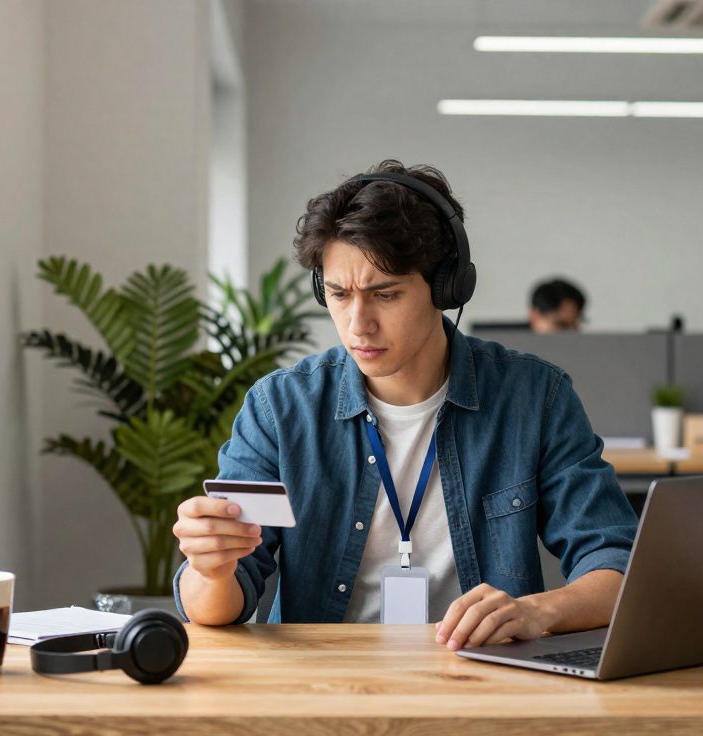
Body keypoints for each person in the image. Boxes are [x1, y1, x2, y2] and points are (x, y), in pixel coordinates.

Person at [171, 160, 637, 652]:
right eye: (338, 294)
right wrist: (212, 570)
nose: (358, 325)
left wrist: (536, 611)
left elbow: (618, 563)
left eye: (385, 295)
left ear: (446, 287)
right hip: (323, 688)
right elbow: (218, 604)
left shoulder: (534, 398)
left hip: (484, 681)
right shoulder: (280, 409)